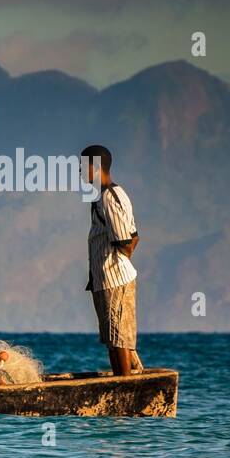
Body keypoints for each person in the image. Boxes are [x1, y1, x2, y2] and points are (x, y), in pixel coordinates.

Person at [81, 145, 142, 376]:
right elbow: (133, 235)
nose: (80, 173)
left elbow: (127, 240)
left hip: (115, 278)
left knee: (120, 338)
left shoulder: (110, 196)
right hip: (104, 279)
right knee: (111, 338)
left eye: (82, 167)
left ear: (95, 168)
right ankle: (120, 381)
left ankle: (125, 385)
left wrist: (118, 260)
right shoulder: (101, 197)